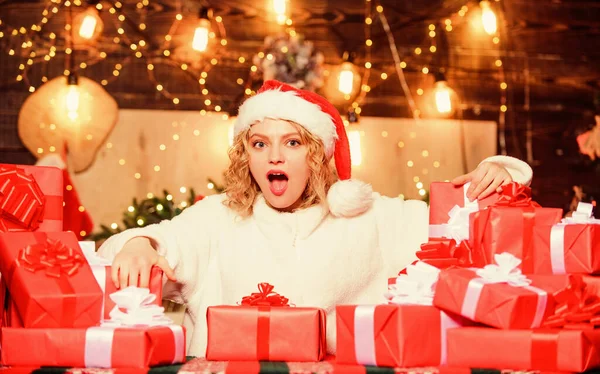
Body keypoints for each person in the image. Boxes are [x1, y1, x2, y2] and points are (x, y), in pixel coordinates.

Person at [98, 80, 533, 357]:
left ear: (319, 154)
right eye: (259, 144)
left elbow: (471, 229)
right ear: (245, 154)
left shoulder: (373, 218)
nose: (274, 156)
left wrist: (501, 173)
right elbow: (154, 243)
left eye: (291, 143)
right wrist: (138, 244)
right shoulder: (218, 218)